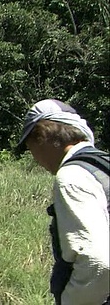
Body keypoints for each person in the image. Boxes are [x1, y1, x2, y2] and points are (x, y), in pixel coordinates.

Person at [18, 99, 109, 305]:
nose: (34, 158)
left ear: (41, 137)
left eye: (29, 147)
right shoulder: (102, 165)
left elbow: (97, 262)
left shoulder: (73, 176)